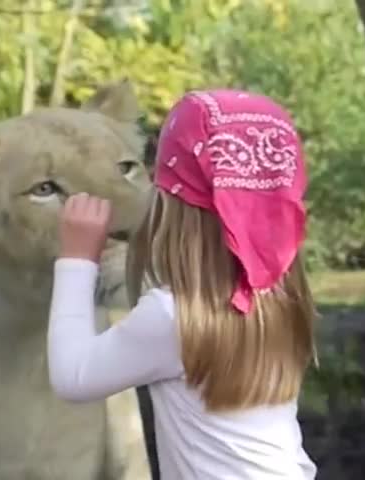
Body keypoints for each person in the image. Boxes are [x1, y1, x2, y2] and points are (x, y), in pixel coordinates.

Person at [47, 89, 318, 479]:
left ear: (176, 204)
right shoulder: (279, 298)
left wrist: (76, 257)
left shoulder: (172, 317)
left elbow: (73, 375)